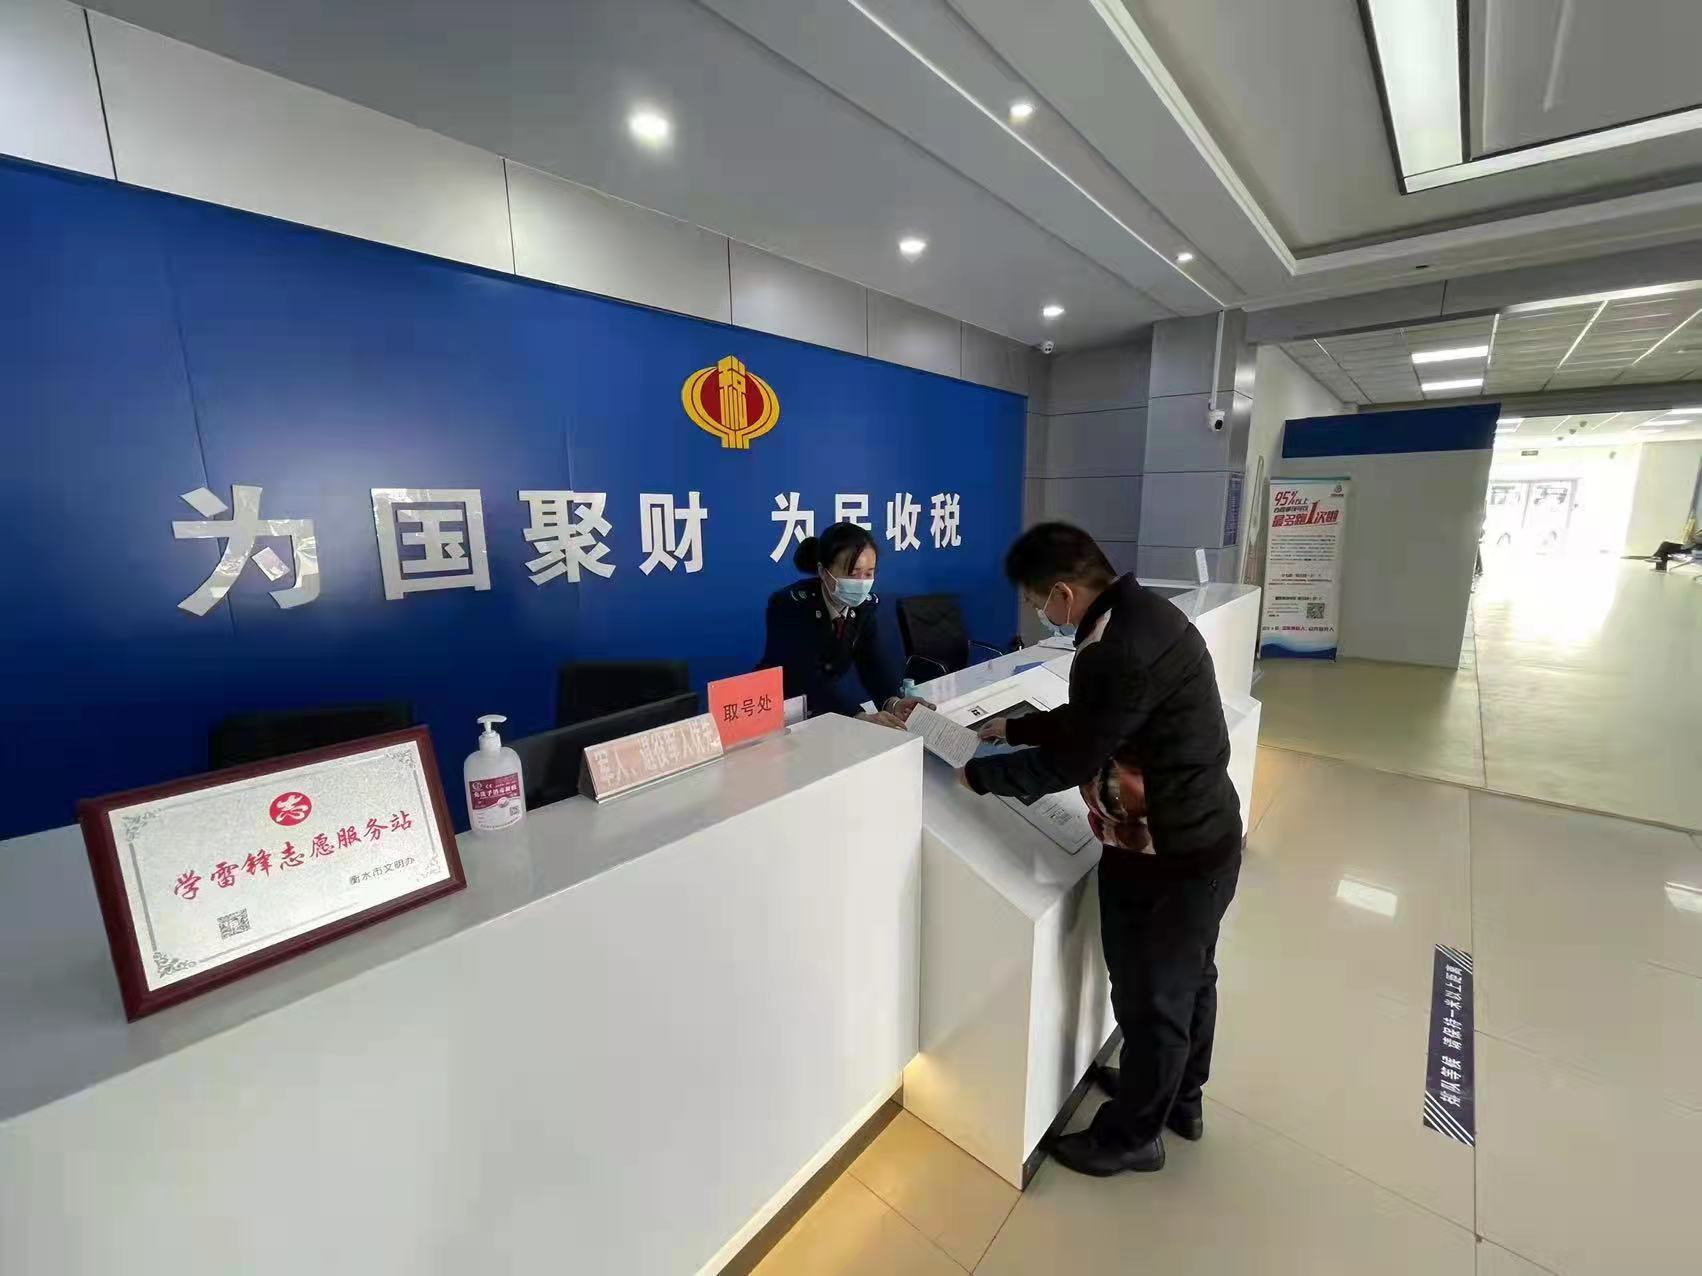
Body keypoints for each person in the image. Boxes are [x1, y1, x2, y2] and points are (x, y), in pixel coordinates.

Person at [960, 522, 1243, 1178]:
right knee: (1190, 979)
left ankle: (1134, 1136)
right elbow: (1105, 719)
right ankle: (1178, 1099)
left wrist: (979, 774)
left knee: (1151, 995)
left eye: (1037, 602)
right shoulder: (1144, 615)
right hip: (1201, 837)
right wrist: (1017, 726)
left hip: (1167, 856)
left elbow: (1076, 757)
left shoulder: (1113, 649)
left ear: (1062, 593)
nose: (1039, 614)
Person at [759, 521, 929, 727]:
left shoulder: (865, 606)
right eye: (852, 573)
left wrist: (892, 702)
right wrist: (857, 715)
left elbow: (872, 663)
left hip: (826, 710)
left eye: (869, 573)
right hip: (782, 709)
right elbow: (809, 674)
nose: (861, 582)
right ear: (823, 572)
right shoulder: (790, 605)